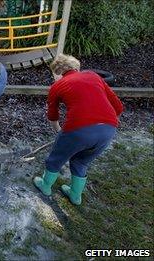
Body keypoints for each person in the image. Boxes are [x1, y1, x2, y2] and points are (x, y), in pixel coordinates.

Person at [33, 54, 123, 205]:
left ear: (58, 72)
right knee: (81, 162)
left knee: (56, 158)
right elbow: (118, 107)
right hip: (108, 129)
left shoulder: (57, 86)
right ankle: (75, 196)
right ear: (76, 67)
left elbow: (52, 115)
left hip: (78, 129)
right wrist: (104, 121)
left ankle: (46, 186)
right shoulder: (93, 76)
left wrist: (59, 132)